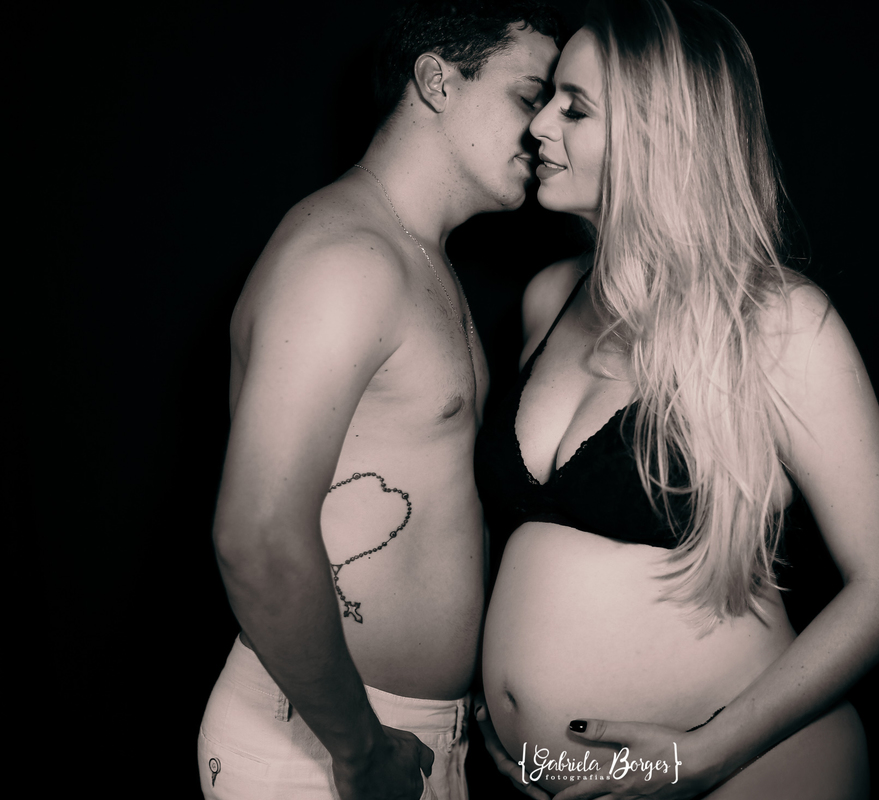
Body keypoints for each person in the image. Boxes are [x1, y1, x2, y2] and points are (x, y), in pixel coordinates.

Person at [472, 1, 879, 797]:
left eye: (575, 108)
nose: (538, 125)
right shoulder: (550, 298)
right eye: (546, 100)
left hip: (748, 771)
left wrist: (700, 757)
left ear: (661, 135)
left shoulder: (779, 323)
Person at [197, 2, 560, 798]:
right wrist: (360, 752)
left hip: (400, 736)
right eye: (528, 95)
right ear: (437, 81)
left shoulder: (415, 255)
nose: (545, 128)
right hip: (327, 743)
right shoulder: (348, 258)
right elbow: (255, 538)